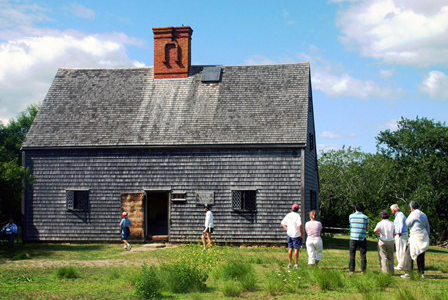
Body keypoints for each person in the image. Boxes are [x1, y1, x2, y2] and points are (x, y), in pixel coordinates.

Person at [401, 201, 430, 279]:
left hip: (415, 235)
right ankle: (421, 273)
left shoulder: (414, 213)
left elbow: (407, 223)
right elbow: (427, 226)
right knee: (421, 254)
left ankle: (408, 273)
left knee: (408, 254)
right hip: (423, 235)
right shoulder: (424, 214)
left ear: (411, 207)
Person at [281, 203, 303, 270]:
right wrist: (301, 233)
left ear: (292, 208)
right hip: (296, 234)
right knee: (296, 249)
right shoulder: (297, 216)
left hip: (289, 234)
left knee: (290, 248)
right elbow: (300, 225)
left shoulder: (288, 215)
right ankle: (296, 264)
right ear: (298, 209)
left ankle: (289, 263)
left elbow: (282, 223)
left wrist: (287, 228)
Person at [349, 203, 369, 274]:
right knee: (363, 254)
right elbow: (367, 228)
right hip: (362, 237)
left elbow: (351, 225)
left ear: (355, 208)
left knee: (352, 254)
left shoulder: (351, 216)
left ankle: (351, 270)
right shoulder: (365, 217)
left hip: (353, 237)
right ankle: (363, 270)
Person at [390, 204, 408, 270]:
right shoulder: (398, 215)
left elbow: (400, 224)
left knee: (401, 250)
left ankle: (401, 265)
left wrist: (399, 232)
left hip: (401, 234)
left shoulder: (400, 215)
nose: (391, 211)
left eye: (391, 210)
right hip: (399, 234)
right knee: (399, 249)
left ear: (394, 210)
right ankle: (400, 264)